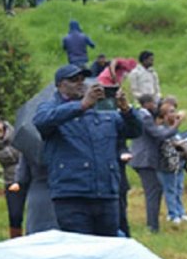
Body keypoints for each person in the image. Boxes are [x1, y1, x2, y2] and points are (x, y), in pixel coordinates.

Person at [34, 65, 142, 236]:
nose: (80, 84)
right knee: (80, 250)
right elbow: (41, 122)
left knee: (107, 248)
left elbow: (135, 131)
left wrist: (126, 110)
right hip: (72, 194)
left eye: (82, 80)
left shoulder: (102, 107)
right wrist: (82, 105)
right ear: (60, 85)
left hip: (106, 192)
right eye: (73, 80)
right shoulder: (50, 106)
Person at [129, 94, 173, 233]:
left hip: (141, 158)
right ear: (147, 104)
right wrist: (175, 126)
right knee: (153, 191)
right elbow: (158, 135)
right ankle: (152, 226)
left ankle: (153, 224)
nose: (156, 106)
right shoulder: (145, 117)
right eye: (154, 103)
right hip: (144, 159)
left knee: (154, 189)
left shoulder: (142, 115)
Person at [154, 100, 187, 226]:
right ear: (164, 115)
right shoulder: (161, 129)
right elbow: (165, 143)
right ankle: (173, 214)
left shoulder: (173, 129)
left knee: (179, 188)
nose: (175, 114)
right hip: (166, 165)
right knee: (170, 189)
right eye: (171, 112)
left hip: (178, 164)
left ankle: (180, 211)